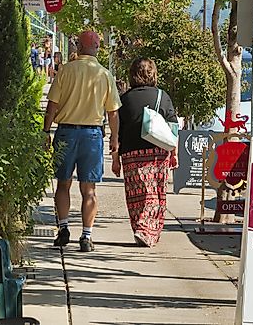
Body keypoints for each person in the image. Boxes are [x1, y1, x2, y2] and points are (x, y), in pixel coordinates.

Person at [43, 31, 121, 252]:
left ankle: (63, 228)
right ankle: (86, 236)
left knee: (63, 183)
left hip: (66, 133)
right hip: (92, 135)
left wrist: (45, 132)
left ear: (78, 46)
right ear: (97, 47)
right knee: (89, 189)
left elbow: (52, 105)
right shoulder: (105, 75)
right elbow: (113, 112)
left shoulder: (66, 71)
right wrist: (115, 138)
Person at [112, 58, 178, 247]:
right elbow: (173, 127)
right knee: (156, 192)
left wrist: (115, 158)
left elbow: (117, 132)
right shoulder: (162, 96)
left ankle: (141, 228)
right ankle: (151, 231)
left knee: (136, 194)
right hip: (158, 151)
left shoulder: (124, 99)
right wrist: (174, 153)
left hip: (131, 153)